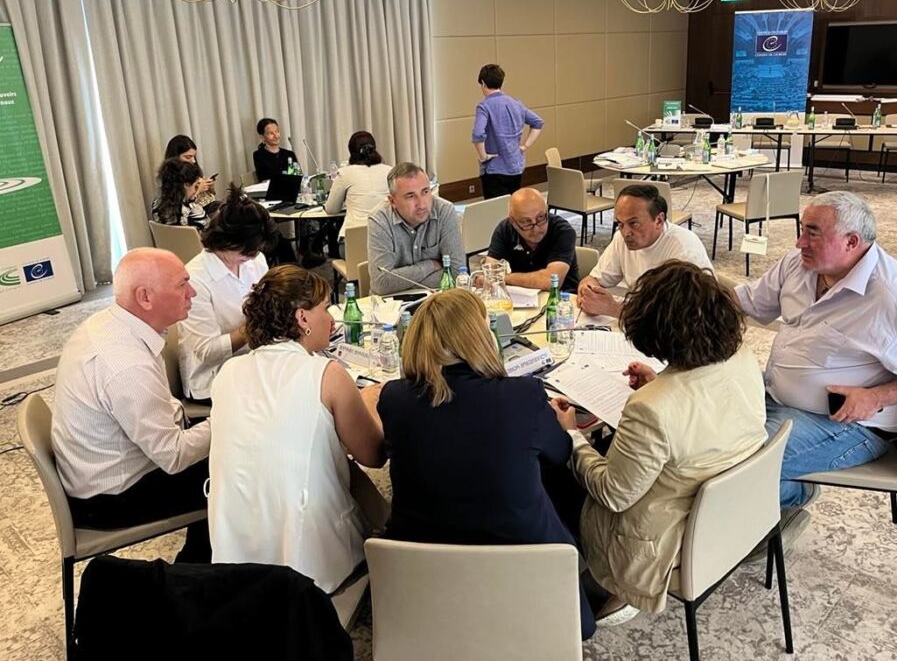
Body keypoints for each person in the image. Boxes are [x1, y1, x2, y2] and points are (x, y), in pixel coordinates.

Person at [550, 260, 766, 621]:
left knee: (553, 475)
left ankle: (597, 587)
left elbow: (613, 494)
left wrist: (571, 434)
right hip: (730, 515)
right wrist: (664, 380)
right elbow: (707, 408)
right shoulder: (741, 359)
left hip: (660, 544)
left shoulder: (652, 407)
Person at [377, 289, 596, 639]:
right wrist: (567, 429)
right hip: (526, 568)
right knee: (547, 474)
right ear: (481, 336)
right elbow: (559, 455)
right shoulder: (523, 395)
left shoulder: (393, 398)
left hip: (423, 567)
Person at [734, 191, 897, 509]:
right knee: (702, 437)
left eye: (812, 233)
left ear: (851, 242)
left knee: (733, 461)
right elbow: (750, 303)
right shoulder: (800, 264)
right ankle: (766, 495)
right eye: (802, 229)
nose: (799, 243)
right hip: (775, 397)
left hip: (845, 426)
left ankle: (792, 494)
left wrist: (876, 397)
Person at [209, 265, 386, 593]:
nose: (331, 320)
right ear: (302, 317)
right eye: (325, 309)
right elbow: (374, 455)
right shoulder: (326, 373)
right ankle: (392, 542)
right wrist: (371, 404)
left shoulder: (228, 372)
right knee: (348, 463)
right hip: (306, 553)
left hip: (235, 547)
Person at [51, 248, 212, 562]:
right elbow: (174, 457)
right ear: (145, 297)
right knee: (238, 470)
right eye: (182, 285)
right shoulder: (127, 365)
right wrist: (228, 418)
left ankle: (200, 559)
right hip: (112, 498)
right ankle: (196, 573)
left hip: (98, 471)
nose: (192, 292)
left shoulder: (109, 322)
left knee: (224, 455)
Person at [178, 186, 279, 401]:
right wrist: (254, 325)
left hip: (254, 359)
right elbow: (207, 352)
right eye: (247, 251)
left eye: (256, 250)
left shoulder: (254, 261)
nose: (253, 256)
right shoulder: (196, 279)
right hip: (212, 377)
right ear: (225, 241)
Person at [577, 185, 712, 318]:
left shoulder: (683, 249)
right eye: (620, 224)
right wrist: (588, 292)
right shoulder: (621, 239)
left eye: (634, 223)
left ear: (659, 220)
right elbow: (594, 279)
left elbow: (681, 318)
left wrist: (614, 309)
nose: (625, 232)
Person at [367, 162, 465, 295]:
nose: (421, 204)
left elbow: (457, 274)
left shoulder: (444, 210)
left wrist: (400, 282)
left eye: (425, 192)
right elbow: (381, 283)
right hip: (392, 303)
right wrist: (430, 265)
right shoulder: (379, 220)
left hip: (439, 299)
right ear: (392, 201)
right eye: (410, 196)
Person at [485, 187, 580, 291]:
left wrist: (503, 278)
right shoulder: (505, 229)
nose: (536, 228)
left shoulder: (563, 231)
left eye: (541, 217)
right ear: (512, 222)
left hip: (562, 297)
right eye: (526, 222)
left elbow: (551, 282)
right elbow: (490, 272)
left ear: (547, 210)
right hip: (522, 296)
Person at [472, 63, 544, 199]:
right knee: (514, 207)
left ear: (483, 83)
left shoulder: (484, 106)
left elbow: (478, 134)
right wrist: (525, 146)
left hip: (494, 169)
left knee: (496, 208)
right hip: (515, 166)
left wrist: (483, 157)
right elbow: (538, 122)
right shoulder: (516, 103)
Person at [323, 130, 392, 245]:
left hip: (355, 241)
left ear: (351, 152)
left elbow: (331, 209)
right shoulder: (390, 171)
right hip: (386, 238)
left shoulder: (345, 173)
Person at [151, 157, 210, 230]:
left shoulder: (156, 206)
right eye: (195, 186)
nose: (195, 190)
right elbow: (207, 228)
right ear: (186, 185)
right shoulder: (195, 213)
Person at [165, 134, 216, 210]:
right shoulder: (169, 178)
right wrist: (198, 190)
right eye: (188, 157)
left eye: (194, 156)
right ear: (175, 156)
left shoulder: (193, 170)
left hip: (207, 209)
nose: (193, 161)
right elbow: (181, 206)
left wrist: (209, 187)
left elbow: (210, 197)